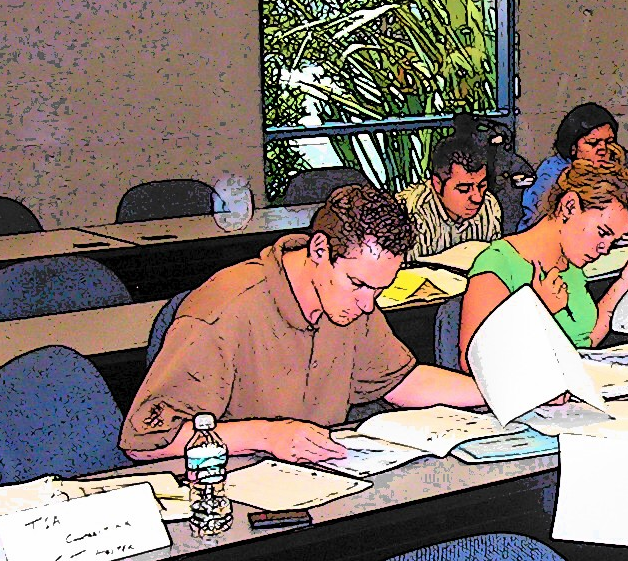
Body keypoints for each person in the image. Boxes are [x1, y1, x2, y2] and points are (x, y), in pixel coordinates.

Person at [120, 185, 486, 464]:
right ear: (319, 250)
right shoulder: (223, 313)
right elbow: (145, 443)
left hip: (317, 478)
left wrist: (497, 393)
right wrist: (266, 436)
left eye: (379, 289)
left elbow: (400, 381)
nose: (367, 304)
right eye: (358, 284)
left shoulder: (350, 302)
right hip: (234, 486)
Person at [459, 159, 628, 366]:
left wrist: (624, 283)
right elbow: (473, 363)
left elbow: (584, 340)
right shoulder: (498, 263)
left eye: (614, 241)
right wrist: (538, 310)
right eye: (602, 233)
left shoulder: (571, 265)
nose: (605, 248)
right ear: (569, 207)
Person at [396, 133, 503, 259]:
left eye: (482, 186)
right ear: (437, 184)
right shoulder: (410, 213)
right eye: (464, 189)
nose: (477, 198)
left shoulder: (489, 205)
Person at [523, 103, 626, 229]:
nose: (603, 149)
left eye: (609, 142)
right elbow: (535, 222)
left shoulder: (618, 162)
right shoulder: (553, 174)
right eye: (593, 143)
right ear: (573, 148)